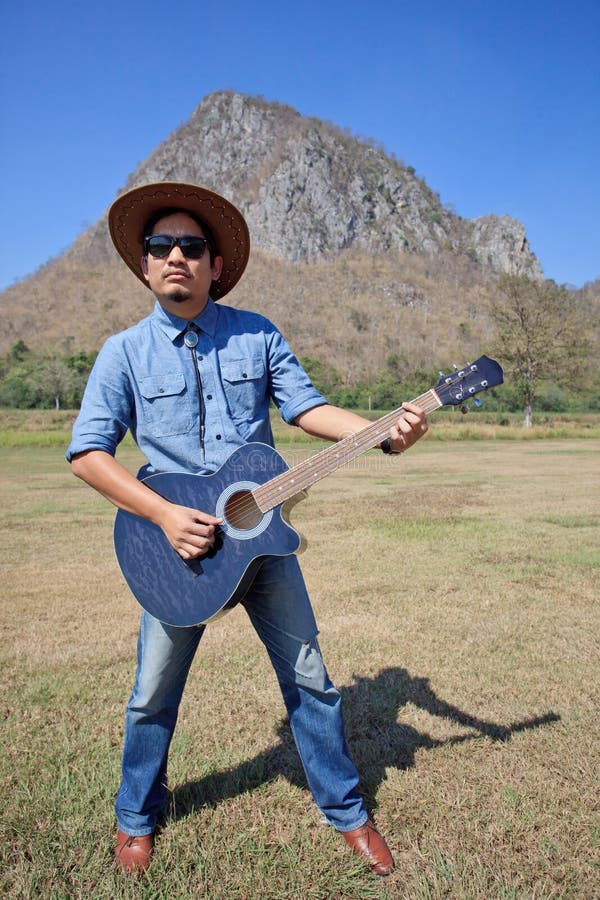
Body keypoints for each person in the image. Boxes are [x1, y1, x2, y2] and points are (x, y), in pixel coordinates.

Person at [67, 182, 428, 876]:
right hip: (178, 555)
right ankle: (136, 819)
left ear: (215, 265)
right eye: (160, 246)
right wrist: (166, 515)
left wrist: (384, 433)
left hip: (262, 546)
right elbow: (88, 454)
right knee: (151, 695)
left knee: (313, 681)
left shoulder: (257, 334)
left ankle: (346, 812)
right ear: (145, 265)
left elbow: (308, 409)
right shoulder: (123, 354)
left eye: (192, 246)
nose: (176, 256)